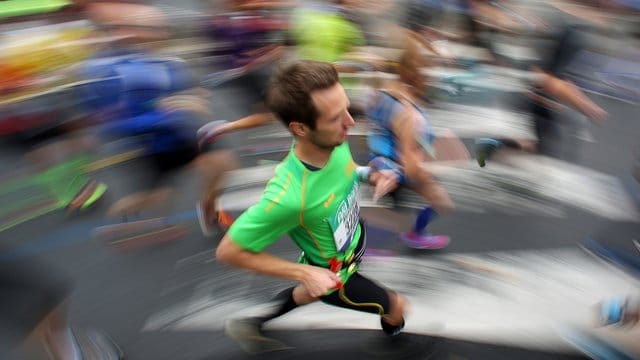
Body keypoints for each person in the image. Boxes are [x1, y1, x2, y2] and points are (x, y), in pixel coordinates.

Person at [215, 60, 407, 352]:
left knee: (306, 295)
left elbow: (348, 171)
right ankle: (398, 343)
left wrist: (371, 174)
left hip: (348, 245)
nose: (350, 122)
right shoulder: (289, 197)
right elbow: (228, 252)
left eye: (346, 108)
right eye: (335, 117)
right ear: (300, 128)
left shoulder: (334, 141)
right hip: (337, 276)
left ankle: (252, 321)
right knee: (398, 306)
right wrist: (305, 273)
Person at [363, 38, 457, 249]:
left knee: (390, 212)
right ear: (416, 74)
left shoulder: (382, 93)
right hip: (394, 170)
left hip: (376, 163)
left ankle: (362, 245)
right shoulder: (411, 116)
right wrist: (428, 179)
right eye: (430, 71)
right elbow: (411, 166)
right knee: (440, 201)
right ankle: (414, 235)